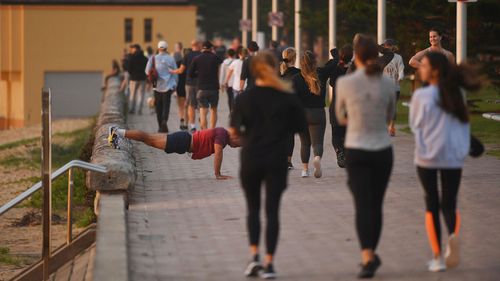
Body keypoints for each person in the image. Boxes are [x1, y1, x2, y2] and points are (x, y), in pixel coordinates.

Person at [229, 50, 306, 279]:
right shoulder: (287, 97)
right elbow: (299, 126)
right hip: (276, 159)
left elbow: (234, 132)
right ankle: (270, 263)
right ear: (276, 67)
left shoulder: (244, 98)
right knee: (272, 211)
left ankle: (254, 258)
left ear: (253, 70)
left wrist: (249, 137)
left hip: (251, 157)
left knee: (253, 209)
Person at [409, 52, 481, 272]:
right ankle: (453, 236)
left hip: (427, 157)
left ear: (435, 71)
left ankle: (438, 257)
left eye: (424, 65)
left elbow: (415, 126)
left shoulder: (422, 96)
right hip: (452, 157)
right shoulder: (456, 94)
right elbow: (463, 125)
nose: (420, 67)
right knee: (449, 203)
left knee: (431, 205)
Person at [335, 34, 396, 279]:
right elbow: (388, 115)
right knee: (376, 204)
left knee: (362, 205)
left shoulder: (345, 83)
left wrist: (355, 118)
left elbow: (340, 117)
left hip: (356, 149)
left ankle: (367, 255)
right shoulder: (388, 84)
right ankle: (372, 253)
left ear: (356, 56)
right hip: (382, 150)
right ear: (376, 56)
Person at [108, 126, 240, 180]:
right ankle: (117, 132)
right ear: (235, 137)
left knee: (149, 139)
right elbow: (218, 153)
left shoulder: (222, 133)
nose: (236, 147)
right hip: (182, 141)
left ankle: (118, 134)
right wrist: (218, 174)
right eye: (238, 144)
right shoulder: (223, 135)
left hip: (183, 140)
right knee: (147, 138)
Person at [292, 50, 335, 178]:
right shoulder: (321, 74)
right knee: (318, 143)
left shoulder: (296, 78)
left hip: (302, 114)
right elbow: (333, 65)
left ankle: (305, 170)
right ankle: (317, 158)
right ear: (314, 62)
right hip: (318, 113)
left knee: (305, 143)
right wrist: (336, 56)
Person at [326, 45, 353, 168]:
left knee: (336, 133)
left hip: (337, 104)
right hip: (350, 104)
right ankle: (346, 153)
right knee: (347, 132)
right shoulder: (355, 68)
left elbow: (331, 83)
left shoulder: (336, 69)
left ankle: (339, 152)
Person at [188, 40, 223, 130]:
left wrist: (198, 74)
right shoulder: (215, 58)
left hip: (201, 89)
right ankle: (212, 130)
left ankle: (205, 132)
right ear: (211, 48)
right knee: (213, 110)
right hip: (214, 89)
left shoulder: (197, 59)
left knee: (203, 111)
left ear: (202, 48)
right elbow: (221, 62)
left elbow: (190, 74)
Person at [145, 41, 178, 133]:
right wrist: (175, 84)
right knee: (166, 105)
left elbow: (147, 71)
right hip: (168, 86)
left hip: (156, 86)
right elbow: (175, 73)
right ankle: (164, 120)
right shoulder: (171, 59)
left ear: (158, 48)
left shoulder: (153, 58)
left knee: (158, 106)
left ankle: (160, 126)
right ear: (166, 48)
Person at [170, 40, 202, 132]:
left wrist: (172, 71)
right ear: (199, 45)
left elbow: (181, 70)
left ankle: (192, 125)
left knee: (190, 105)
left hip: (190, 83)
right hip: (201, 84)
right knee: (201, 105)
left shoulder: (187, 56)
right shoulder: (202, 55)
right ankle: (201, 121)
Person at [280, 47, 300, 170]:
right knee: (290, 136)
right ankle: (288, 161)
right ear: (294, 58)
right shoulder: (299, 73)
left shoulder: (279, 73)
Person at [379, 39, 405, 136]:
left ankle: (391, 127)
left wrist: (400, 78)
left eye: (388, 45)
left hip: (394, 87)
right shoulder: (381, 58)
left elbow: (401, 69)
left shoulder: (398, 58)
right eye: (385, 46)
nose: (387, 47)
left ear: (393, 46)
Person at [127, 44, 149, 114]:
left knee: (133, 95)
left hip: (133, 79)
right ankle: (139, 110)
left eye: (133, 48)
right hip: (142, 79)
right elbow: (147, 69)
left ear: (135, 49)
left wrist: (131, 74)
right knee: (141, 95)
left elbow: (129, 69)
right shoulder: (145, 58)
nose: (132, 50)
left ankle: (132, 109)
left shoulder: (132, 57)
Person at [173, 42, 188, 130]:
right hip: (188, 85)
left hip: (179, 85)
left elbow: (175, 74)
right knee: (187, 105)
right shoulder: (190, 63)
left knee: (181, 105)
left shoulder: (177, 62)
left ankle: (181, 120)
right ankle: (186, 122)